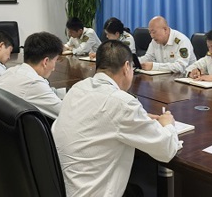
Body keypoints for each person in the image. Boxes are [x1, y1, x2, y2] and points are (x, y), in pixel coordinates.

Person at [52, 40, 179, 197]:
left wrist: (139, 118)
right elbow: (166, 150)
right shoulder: (121, 103)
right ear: (126, 67)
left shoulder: (78, 88)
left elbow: (102, 116)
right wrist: (168, 124)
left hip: (63, 187)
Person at [0, 32, 64, 119]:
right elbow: (66, 114)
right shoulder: (33, 83)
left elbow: (49, 91)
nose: (54, 68)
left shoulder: (11, 71)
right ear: (45, 61)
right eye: (55, 61)